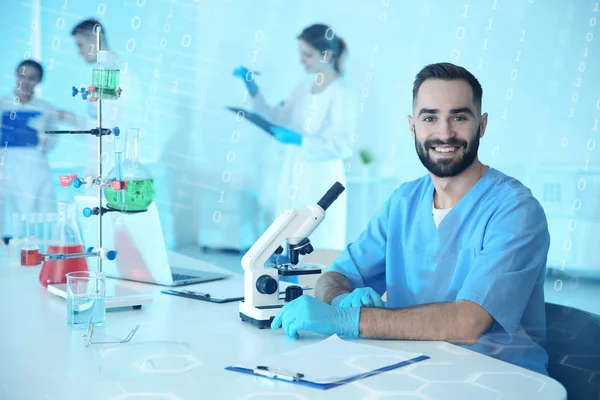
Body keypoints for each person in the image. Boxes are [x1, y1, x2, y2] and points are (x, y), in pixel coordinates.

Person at [270, 62, 551, 376]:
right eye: (430, 118)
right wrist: (339, 300)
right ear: (412, 126)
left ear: (482, 125)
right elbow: (335, 276)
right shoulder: (404, 202)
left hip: (499, 381)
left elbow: (468, 323)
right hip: (411, 372)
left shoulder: (515, 210)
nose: (444, 133)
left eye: (459, 117)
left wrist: (349, 321)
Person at [233, 23, 357, 254]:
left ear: (327, 55)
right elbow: (278, 116)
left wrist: (300, 140)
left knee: (319, 244)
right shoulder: (304, 87)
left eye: (308, 54)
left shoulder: (342, 94)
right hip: (295, 173)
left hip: (322, 178)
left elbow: (341, 146)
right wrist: (252, 88)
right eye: (301, 54)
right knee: (289, 237)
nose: (302, 61)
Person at [0, 60, 60, 239]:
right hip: (6, 167)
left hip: (33, 169)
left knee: (35, 219)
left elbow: (51, 144)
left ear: (39, 81)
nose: (25, 82)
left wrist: (43, 134)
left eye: (32, 78)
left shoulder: (46, 109)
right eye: (22, 76)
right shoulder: (2, 105)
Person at [70, 19, 129, 180]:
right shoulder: (98, 75)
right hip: (98, 167)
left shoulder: (120, 75)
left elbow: (118, 127)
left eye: (80, 45)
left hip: (113, 171)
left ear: (94, 40)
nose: (79, 52)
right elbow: (99, 123)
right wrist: (72, 120)